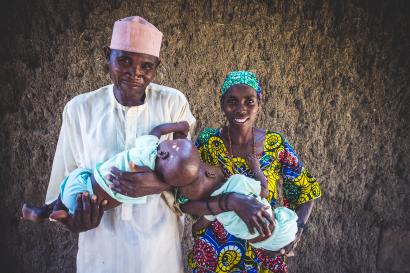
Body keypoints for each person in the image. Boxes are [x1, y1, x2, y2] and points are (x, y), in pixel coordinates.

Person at [43, 16, 196, 273]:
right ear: (107, 56)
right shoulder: (80, 110)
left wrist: (160, 184)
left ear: (157, 66)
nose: (135, 72)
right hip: (100, 251)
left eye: (146, 65)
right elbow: (63, 186)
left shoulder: (172, 104)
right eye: (124, 60)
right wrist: (75, 220)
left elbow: (189, 178)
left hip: (158, 254)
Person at [181, 71, 322, 273]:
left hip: (264, 254)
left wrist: (294, 233)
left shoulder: (275, 144)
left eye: (249, 101)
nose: (241, 109)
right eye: (232, 101)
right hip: (214, 254)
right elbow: (184, 201)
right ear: (222, 104)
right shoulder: (208, 142)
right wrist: (220, 208)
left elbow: (306, 191)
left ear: (259, 103)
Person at [22, 121, 199, 220]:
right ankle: (60, 212)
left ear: (163, 152)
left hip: (86, 182)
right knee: (69, 206)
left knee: (62, 199)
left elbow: (158, 130)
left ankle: (47, 211)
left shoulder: (150, 149)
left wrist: (179, 127)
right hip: (91, 196)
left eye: (176, 143)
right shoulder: (151, 176)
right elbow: (167, 183)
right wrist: (168, 182)